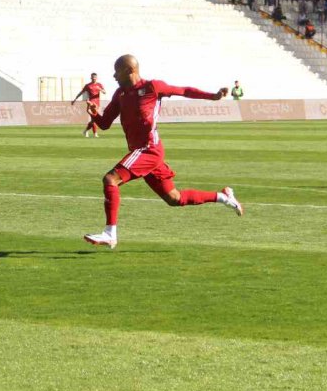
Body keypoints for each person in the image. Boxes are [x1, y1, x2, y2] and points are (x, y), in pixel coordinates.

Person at [82, 55, 243, 249]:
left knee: (110, 179)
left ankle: (110, 233)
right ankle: (223, 196)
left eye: (117, 71)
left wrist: (213, 96)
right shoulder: (120, 94)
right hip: (142, 153)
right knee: (174, 198)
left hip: (148, 149)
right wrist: (94, 114)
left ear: (130, 71)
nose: (114, 75)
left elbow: (184, 91)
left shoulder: (153, 87)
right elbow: (105, 123)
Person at [72, 73, 107, 137]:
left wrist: (100, 89)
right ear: (91, 78)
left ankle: (86, 131)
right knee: (94, 118)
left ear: (96, 78)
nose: (94, 78)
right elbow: (81, 92)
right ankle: (95, 134)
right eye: (93, 77)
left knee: (93, 119)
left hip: (97, 102)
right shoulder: (88, 85)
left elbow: (105, 92)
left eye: (95, 77)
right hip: (91, 102)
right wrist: (75, 99)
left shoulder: (99, 85)